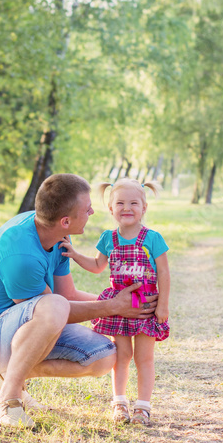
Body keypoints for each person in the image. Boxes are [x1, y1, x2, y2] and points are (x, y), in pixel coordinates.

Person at [0, 173, 158, 429]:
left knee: (105, 356)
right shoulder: (21, 254)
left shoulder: (58, 236)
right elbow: (54, 310)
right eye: (87, 209)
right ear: (65, 220)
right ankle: (7, 401)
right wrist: (112, 306)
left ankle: (8, 377)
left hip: (18, 330)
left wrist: (131, 308)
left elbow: (68, 296)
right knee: (53, 306)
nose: (93, 211)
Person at [60, 178, 170, 426]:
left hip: (145, 308)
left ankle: (143, 406)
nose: (127, 208)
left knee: (144, 358)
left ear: (144, 208)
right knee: (121, 356)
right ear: (111, 209)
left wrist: (163, 305)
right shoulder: (108, 238)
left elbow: (163, 273)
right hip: (118, 306)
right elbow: (98, 266)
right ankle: (119, 402)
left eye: (133, 203)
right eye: (120, 203)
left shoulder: (153, 238)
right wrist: (75, 255)